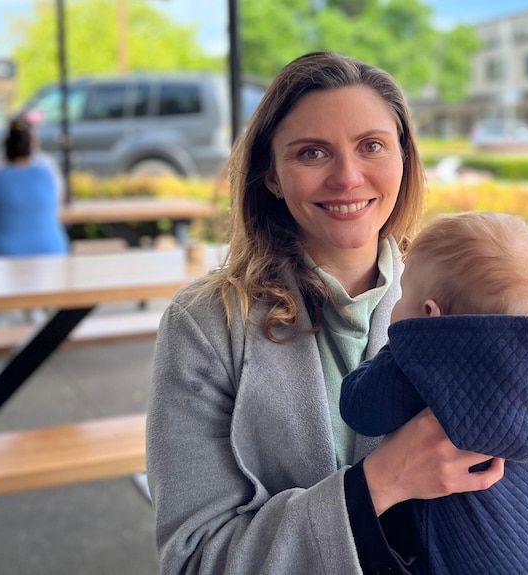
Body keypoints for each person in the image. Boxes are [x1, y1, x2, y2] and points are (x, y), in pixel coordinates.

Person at [146, 51, 505, 575]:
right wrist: (379, 483)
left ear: (404, 159)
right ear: (270, 176)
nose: (347, 177)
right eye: (312, 153)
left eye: (372, 146)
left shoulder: (461, 300)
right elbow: (195, 559)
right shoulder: (204, 325)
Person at [340, 211, 528, 574]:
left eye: (402, 292)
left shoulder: (426, 360)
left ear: (429, 314)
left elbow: (358, 408)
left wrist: (399, 347)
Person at [0, 117, 69, 257]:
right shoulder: (46, 171)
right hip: (53, 250)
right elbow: (59, 198)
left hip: (2, 252)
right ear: (33, 144)